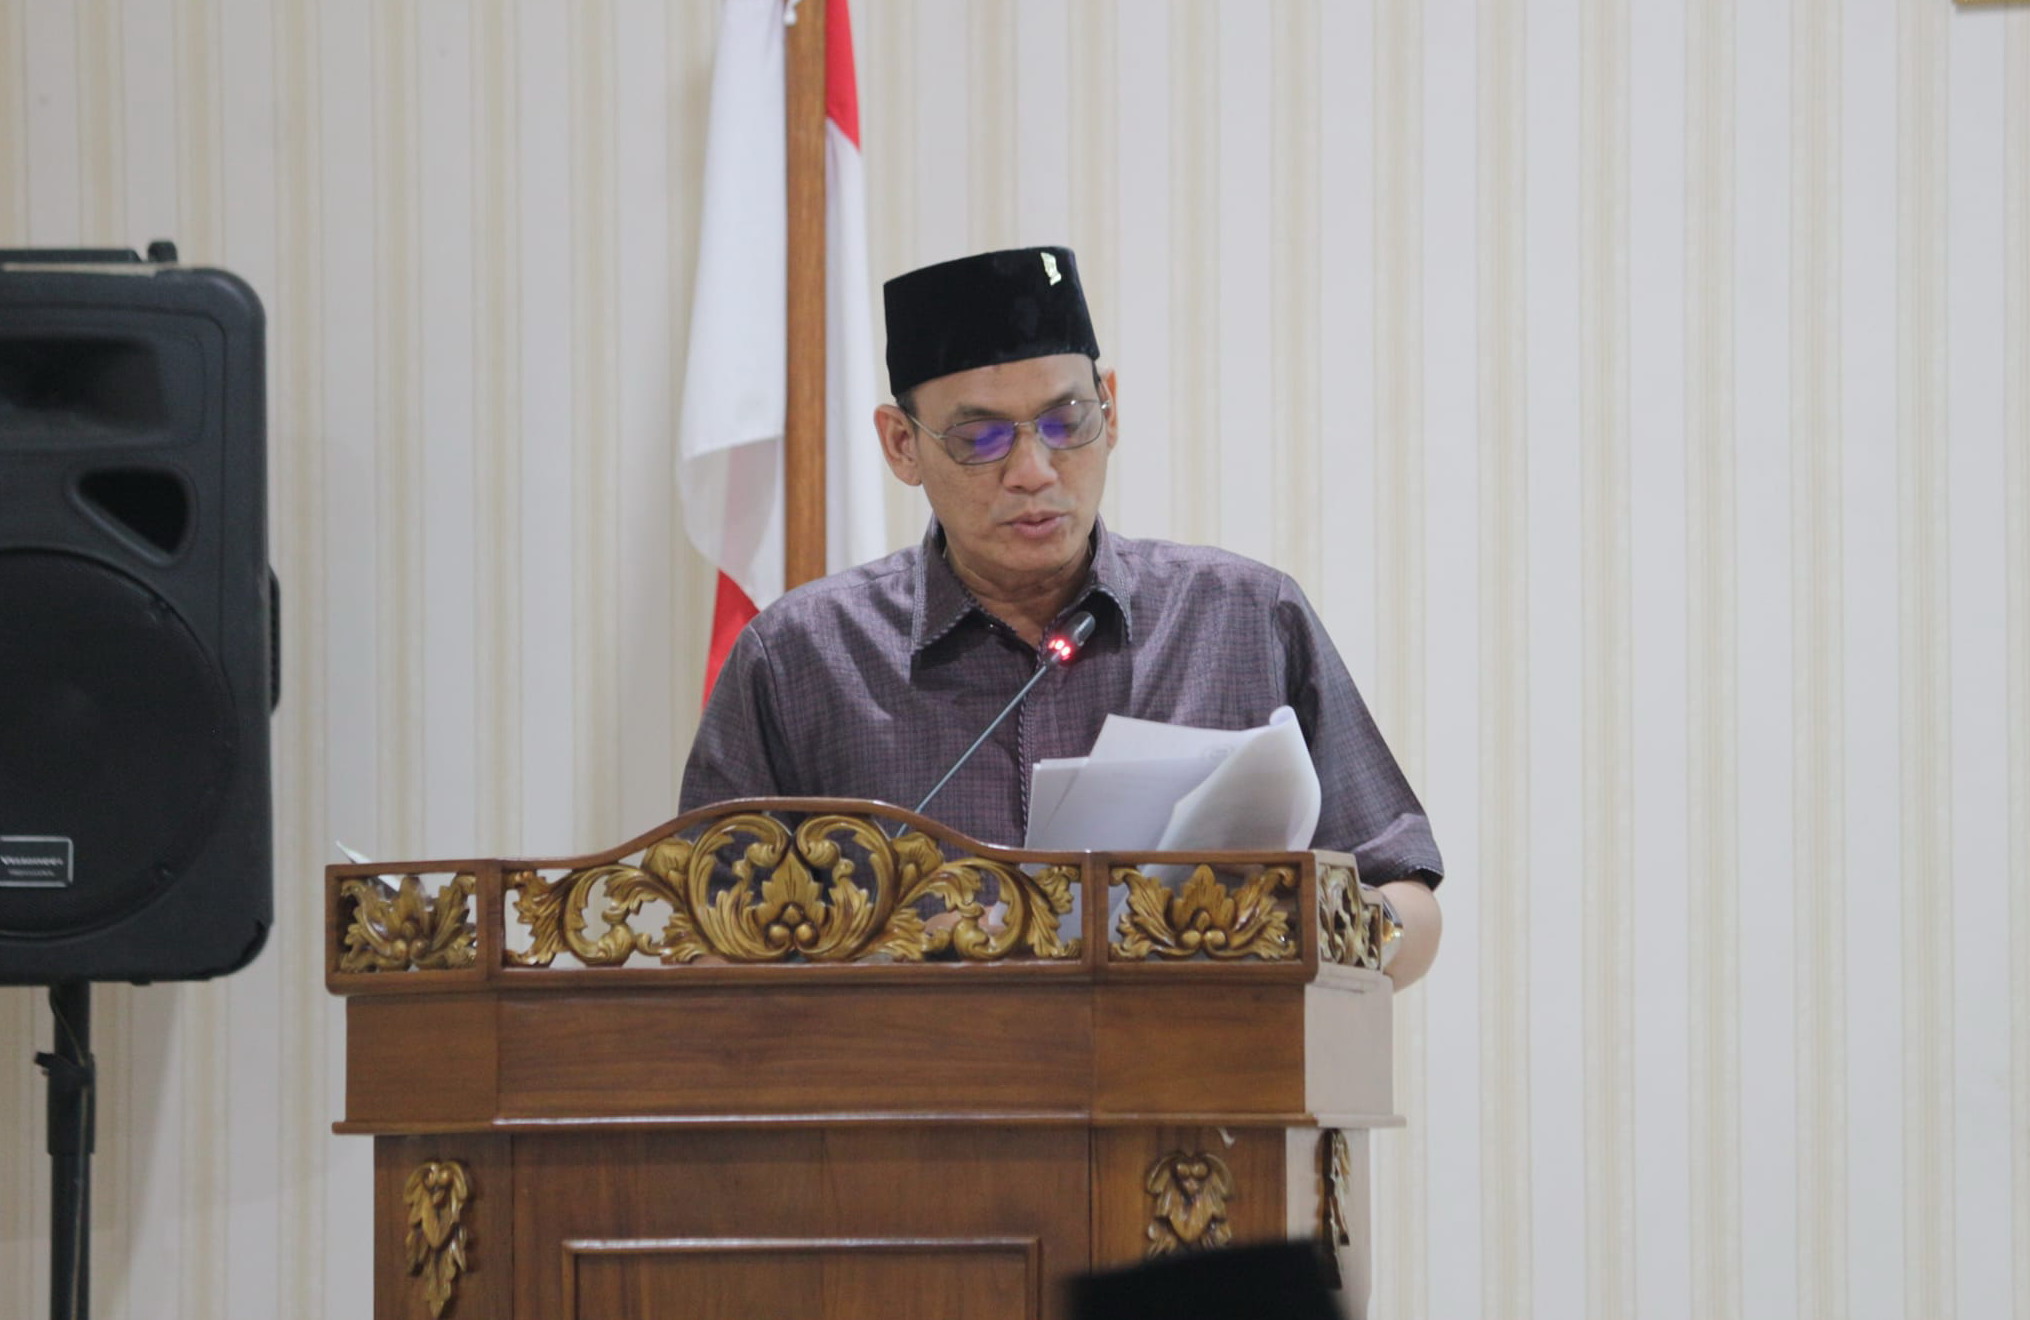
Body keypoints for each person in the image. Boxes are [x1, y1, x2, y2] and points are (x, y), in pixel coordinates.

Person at [680, 246, 1442, 984]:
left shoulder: (1243, 619)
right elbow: (705, 949)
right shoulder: (801, 659)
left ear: (1111, 409)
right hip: (914, 1071)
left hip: (1199, 1069)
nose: (1033, 471)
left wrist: (1319, 932)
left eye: (1066, 421)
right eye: (979, 438)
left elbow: (1406, 897)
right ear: (902, 445)